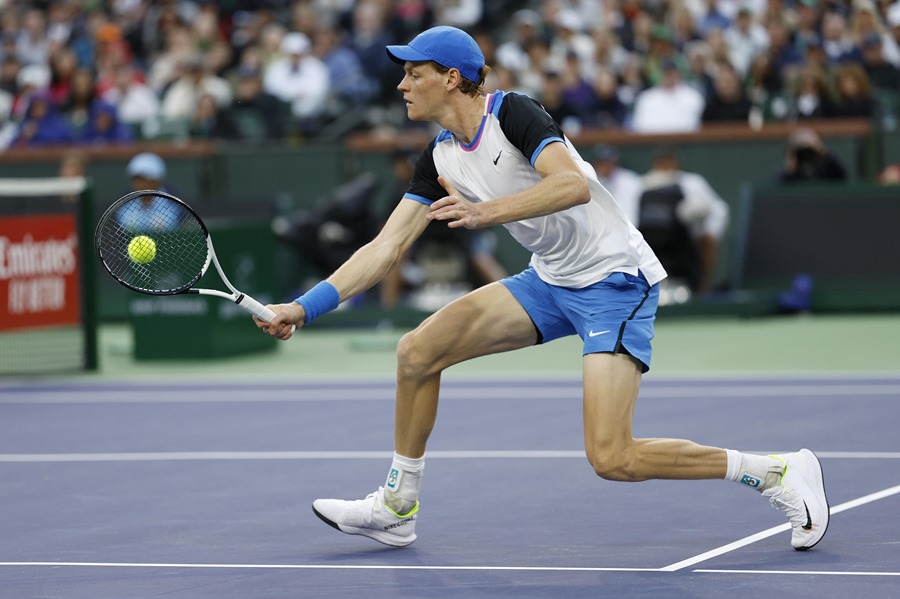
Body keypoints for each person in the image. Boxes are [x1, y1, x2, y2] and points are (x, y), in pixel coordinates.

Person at [255, 25, 829, 552]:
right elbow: (384, 249)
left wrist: (488, 213)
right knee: (417, 351)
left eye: (414, 73)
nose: (402, 84)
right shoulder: (438, 158)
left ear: (451, 78)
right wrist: (303, 308)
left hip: (613, 280)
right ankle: (397, 506)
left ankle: (776, 471)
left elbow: (572, 186)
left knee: (613, 457)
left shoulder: (515, 114)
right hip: (550, 280)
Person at [638, 146, 729, 295]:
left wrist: (706, 230)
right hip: (648, 239)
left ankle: (700, 290)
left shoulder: (693, 182)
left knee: (706, 239)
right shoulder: (642, 184)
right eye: (662, 163)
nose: (666, 167)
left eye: (669, 162)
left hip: (687, 238)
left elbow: (719, 210)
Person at [776, 127, 847, 183]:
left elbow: (843, 176)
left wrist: (823, 152)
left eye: (809, 151)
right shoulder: (790, 175)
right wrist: (791, 164)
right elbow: (777, 185)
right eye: (801, 152)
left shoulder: (827, 170)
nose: (806, 155)